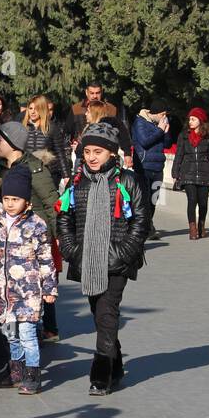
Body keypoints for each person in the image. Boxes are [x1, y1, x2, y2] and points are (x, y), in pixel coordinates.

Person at [56, 121, 149, 396]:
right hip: (87, 261)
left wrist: (122, 253)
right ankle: (116, 364)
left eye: (98, 152)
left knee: (107, 314)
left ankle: (101, 375)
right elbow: (64, 218)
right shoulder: (76, 183)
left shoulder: (127, 181)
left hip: (117, 261)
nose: (92, 157)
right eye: (87, 152)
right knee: (100, 315)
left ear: (111, 153)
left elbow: (141, 221)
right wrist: (73, 250)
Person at [0, 165, 57, 395]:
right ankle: (16, 369)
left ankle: (32, 374)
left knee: (27, 334)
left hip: (28, 291)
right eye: (6, 198)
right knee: (11, 334)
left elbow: (46, 259)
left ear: (26, 201)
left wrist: (49, 288)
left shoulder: (36, 226)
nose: (10, 204)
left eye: (15, 199)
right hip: (6, 293)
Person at [0, 120, 61, 341]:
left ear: (12, 143)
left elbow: (52, 201)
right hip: (13, 234)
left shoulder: (34, 167)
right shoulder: (2, 167)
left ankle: (48, 328)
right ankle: (19, 327)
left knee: (39, 279)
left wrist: (58, 235)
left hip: (36, 235)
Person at [172, 107, 209, 239]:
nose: (190, 122)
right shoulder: (184, 136)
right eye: (189, 119)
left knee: (203, 202)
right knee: (192, 200)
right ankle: (192, 228)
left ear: (201, 120)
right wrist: (175, 172)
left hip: (205, 174)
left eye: (193, 119)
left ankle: (201, 225)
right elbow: (179, 154)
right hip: (188, 173)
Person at [132, 99, 171, 240]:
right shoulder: (140, 122)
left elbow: (167, 144)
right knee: (144, 198)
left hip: (158, 167)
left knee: (154, 199)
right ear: (156, 113)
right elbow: (144, 142)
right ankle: (144, 227)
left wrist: (165, 132)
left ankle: (147, 225)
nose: (164, 117)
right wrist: (160, 130)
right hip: (144, 166)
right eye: (162, 114)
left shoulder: (161, 124)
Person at [24, 94, 70, 187]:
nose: (33, 112)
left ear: (42, 109)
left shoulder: (52, 127)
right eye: (30, 108)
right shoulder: (22, 127)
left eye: (36, 108)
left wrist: (66, 175)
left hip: (48, 173)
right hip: (27, 172)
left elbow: (60, 153)